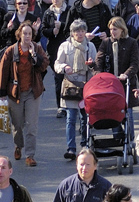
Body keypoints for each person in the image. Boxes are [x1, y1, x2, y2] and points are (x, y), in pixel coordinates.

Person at [0, 21, 49, 166]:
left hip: (33, 92)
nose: (27, 36)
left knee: (31, 125)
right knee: (18, 124)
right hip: (15, 93)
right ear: (19, 35)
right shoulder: (11, 51)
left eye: (29, 34)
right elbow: (2, 72)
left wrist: (35, 56)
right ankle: (18, 146)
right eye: (24, 33)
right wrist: (2, 92)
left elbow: (45, 65)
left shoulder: (37, 49)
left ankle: (30, 155)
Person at [54, 18, 97, 159]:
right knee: (70, 119)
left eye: (82, 30)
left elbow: (96, 67)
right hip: (70, 85)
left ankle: (85, 145)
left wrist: (91, 64)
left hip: (86, 85)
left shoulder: (90, 47)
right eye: (77, 31)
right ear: (72, 33)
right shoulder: (65, 46)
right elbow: (57, 64)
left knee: (85, 118)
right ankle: (71, 148)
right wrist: (64, 67)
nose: (80, 33)